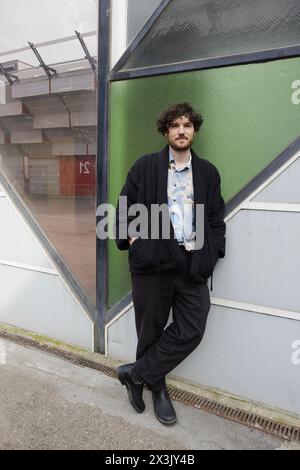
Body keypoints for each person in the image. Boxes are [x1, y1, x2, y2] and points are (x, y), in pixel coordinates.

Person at [115, 102, 226, 425]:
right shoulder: (145, 167)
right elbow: (124, 210)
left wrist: (214, 250)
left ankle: (136, 375)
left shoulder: (207, 172)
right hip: (153, 263)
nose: (181, 130)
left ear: (194, 131)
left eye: (187, 125)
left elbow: (216, 219)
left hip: (192, 262)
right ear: (166, 131)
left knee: (193, 326)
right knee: (149, 329)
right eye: (175, 125)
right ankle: (157, 387)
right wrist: (136, 242)